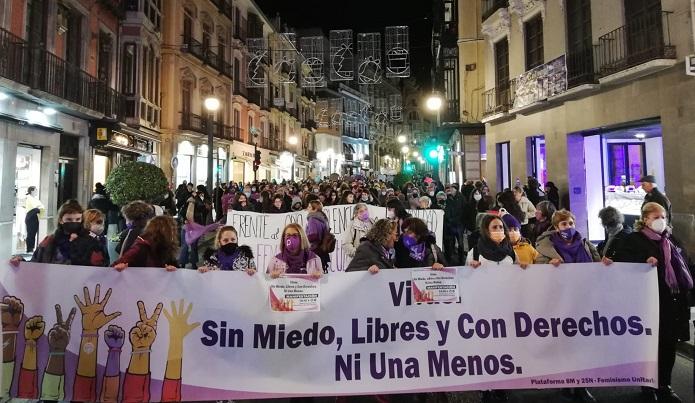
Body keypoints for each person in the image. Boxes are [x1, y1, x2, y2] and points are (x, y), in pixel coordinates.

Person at [613, 202, 693, 403]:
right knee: (649, 346)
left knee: (669, 345)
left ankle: (665, 384)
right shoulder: (634, 239)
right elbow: (621, 262)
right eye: (656, 217)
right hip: (649, 302)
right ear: (645, 219)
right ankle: (648, 384)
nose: (661, 221)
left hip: (673, 301)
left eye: (663, 216)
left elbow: (685, 265)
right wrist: (643, 259)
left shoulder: (671, 239)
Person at [10, 200, 85, 265]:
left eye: (78, 219)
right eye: (69, 219)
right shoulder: (49, 241)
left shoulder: (88, 240)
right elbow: (36, 263)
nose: (74, 222)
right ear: (61, 220)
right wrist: (21, 262)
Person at [112, 215, 179, 271]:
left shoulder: (167, 248)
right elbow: (113, 267)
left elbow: (175, 267)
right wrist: (119, 267)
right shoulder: (140, 247)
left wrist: (172, 269)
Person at [306, 200, 331, 272]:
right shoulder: (323, 218)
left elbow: (313, 236)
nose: (307, 208)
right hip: (323, 250)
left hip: (315, 250)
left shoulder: (312, 219)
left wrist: (304, 238)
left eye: (309, 207)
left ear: (315, 209)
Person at [23, 186, 45, 253]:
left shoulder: (34, 199)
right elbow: (37, 207)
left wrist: (39, 208)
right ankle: (29, 249)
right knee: (30, 234)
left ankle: (31, 248)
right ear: (32, 191)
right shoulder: (29, 198)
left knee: (33, 233)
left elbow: (41, 207)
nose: (37, 192)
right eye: (36, 190)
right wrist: (38, 208)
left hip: (34, 217)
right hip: (30, 217)